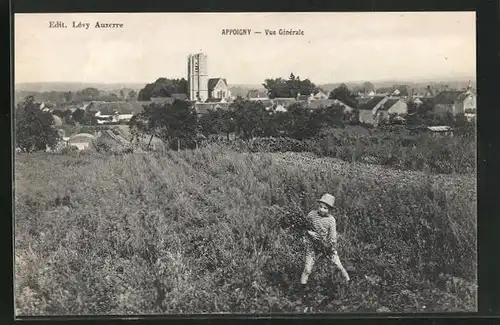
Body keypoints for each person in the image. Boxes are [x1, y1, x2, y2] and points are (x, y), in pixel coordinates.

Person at [300, 193, 350, 289]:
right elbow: (303, 226)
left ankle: (348, 283)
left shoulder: (331, 220)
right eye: (320, 207)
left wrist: (330, 246)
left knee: (338, 265)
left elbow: (332, 237)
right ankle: (302, 292)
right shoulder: (311, 214)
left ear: (330, 210)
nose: (322, 209)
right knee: (307, 269)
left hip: (326, 245)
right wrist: (309, 232)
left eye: (325, 208)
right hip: (312, 245)